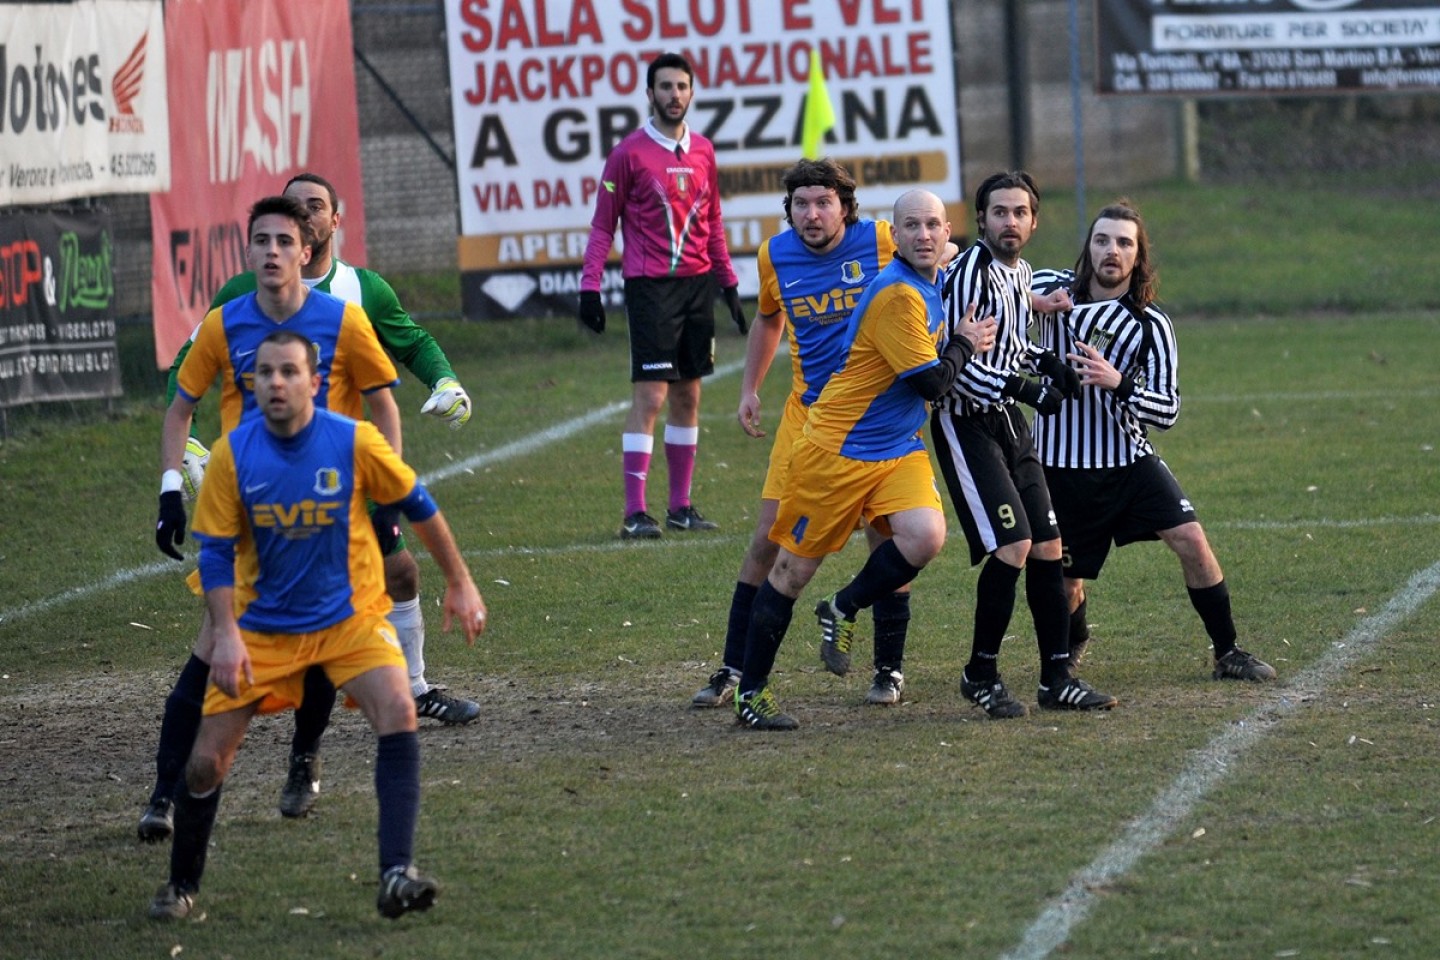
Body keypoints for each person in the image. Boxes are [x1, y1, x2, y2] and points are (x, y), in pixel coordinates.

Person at [140, 174, 481, 846]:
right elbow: (181, 400)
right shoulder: (230, 313)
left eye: (291, 233)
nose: (276, 248)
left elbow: (389, 384)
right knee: (212, 645)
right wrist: (171, 487)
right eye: (263, 238)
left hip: (335, 500)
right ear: (250, 250)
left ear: (313, 239)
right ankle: (163, 796)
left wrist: (386, 477)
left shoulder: (352, 306)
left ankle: (307, 758)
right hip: (247, 510)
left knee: (334, 634)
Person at [147, 330, 487, 922]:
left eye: (290, 372)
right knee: (206, 765)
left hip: (348, 618)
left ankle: (396, 874)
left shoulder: (351, 440)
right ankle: (181, 885)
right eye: (265, 373)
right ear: (252, 385)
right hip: (264, 626)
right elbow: (216, 553)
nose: (277, 382)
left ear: (316, 381)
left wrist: (459, 581)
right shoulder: (231, 456)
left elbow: (418, 502)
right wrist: (225, 634)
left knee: (399, 711)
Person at [691, 158, 957, 709]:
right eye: (801, 204)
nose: (812, 214)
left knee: (894, 537)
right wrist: (749, 389)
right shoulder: (775, 255)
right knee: (769, 541)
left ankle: (887, 669)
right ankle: (735, 669)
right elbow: (769, 318)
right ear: (788, 210)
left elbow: (944, 255)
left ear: (845, 206)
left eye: (823, 202)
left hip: (879, 417)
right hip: (811, 418)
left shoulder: (888, 240)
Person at [733, 189, 995, 730]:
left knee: (925, 536)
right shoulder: (897, 295)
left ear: (948, 234)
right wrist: (965, 343)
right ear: (891, 237)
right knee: (790, 570)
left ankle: (843, 607)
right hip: (837, 449)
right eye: (912, 227)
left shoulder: (938, 273)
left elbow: (990, 267)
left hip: (897, 447)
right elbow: (931, 381)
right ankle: (751, 693)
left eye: (933, 226)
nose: (923, 235)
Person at [1030, 199, 1276, 682]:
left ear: (1138, 256)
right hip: (1058, 468)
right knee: (1067, 582)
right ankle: (1075, 638)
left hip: (1128, 462)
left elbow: (1167, 410)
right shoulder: (1047, 290)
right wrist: (1035, 316)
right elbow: (1003, 294)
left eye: (1124, 243)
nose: (1112, 251)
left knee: (1192, 541)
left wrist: (1117, 381)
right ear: (1089, 248)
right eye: (1102, 240)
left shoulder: (1150, 324)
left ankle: (1227, 651)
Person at [931, 171, 1119, 719]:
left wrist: (1047, 364)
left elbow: (1012, 346)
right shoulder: (971, 275)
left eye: (1020, 213)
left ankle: (1056, 678)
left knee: (1050, 548)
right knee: (1012, 546)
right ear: (981, 218)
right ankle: (980, 673)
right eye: (998, 212)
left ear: (1034, 221)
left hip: (1008, 423)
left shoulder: (1020, 274)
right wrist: (1026, 388)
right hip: (967, 425)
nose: (1009, 222)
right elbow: (959, 369)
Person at [578, 51, 748, 540]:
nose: (674, 95)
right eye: (665, 87)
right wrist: (590, 286)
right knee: (650, 395)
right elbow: (602, 224)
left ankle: (680, 506)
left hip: (697, 287)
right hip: (650, 287)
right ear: (649, 93)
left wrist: (728, 282)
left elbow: (713, 220)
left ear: (691, 93)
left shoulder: (704, 151)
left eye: (681, 87)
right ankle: (635, 513)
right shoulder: (628, 153)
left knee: (688, 398)